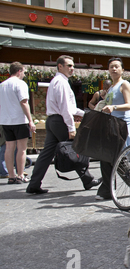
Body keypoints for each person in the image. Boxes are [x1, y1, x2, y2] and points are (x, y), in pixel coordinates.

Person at [26, 55, 101, 194]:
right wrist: (71, 128)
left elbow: (70, 108)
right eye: (69, 65)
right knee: (75, 148)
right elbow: (66, 109)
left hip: (53, 121)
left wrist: (86, 113)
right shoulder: (61, 82)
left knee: (46, 154)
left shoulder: (58, 81)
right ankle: (88, 179)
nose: (72, 68)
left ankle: (34, 184)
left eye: (73, 66)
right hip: (60, 121)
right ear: (60, 66)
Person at [95, 57, 130, 200]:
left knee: (116, 158)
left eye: (117, 67)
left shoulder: (124, 85)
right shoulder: (111, 87)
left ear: (122, 70)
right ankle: (107, 189)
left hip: (121, 125)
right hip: (110, 125)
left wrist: (113, 107)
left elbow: (129, 105)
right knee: (106, 157)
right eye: (111, 66)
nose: (114, 69)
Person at [0, 62, 36, 184]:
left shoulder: (2, 85)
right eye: (24, 72)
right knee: (22, 148)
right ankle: (20, 175)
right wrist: (30, 120)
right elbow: (24, 102)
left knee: (9, 148)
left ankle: (11, 176)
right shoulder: (20, 84)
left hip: (6, 120)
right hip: (19, 120)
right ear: (19, 71)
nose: (24, 74)